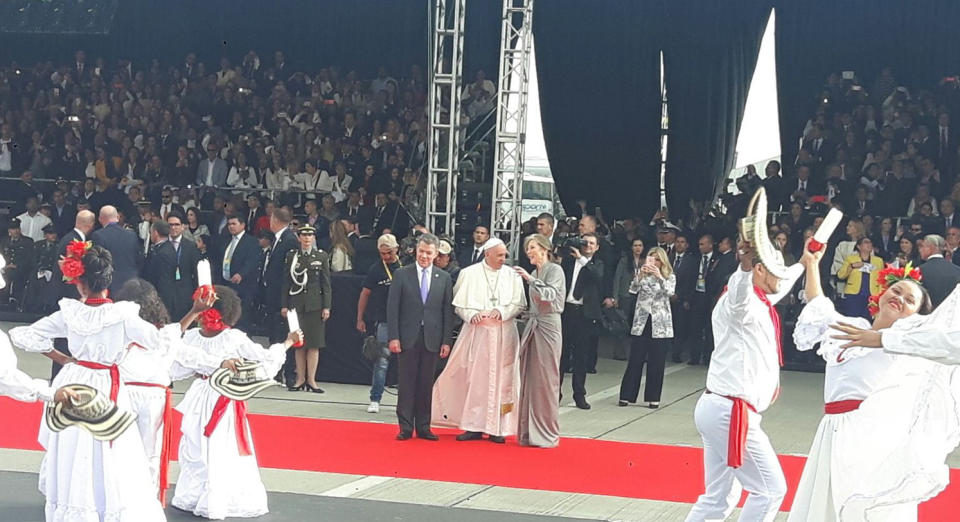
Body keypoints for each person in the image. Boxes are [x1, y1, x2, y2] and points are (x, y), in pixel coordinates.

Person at [8, 245, 167, 521]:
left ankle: (76, 508)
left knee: (75, 445)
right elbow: (158, 341)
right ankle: (106, 507)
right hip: (106, 382)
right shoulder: (124, 315)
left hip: (75, 380)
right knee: (109, 447)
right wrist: (125, 348)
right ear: (108, 280)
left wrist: (61, 357)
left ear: (78, 281)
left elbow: (24, 335)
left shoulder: (70, 314)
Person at [787, 240, 933, 522]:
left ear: (916, 316)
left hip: (872, 433)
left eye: (909, 300)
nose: (899, 298)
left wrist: (882, 339)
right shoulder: (852, 326)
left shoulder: (908, 344)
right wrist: (813, 264)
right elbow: (818, 305)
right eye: (896, 290)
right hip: (833, 429)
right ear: (881, 292)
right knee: (827, 505)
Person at [685, 238, 800, 522]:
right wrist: (745, 264)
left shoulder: (760, 300)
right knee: (770, 491)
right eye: (777, 271)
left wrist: (807, 260)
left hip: (722, 407)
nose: (781, 278)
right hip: (730, 412)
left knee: (719, 498)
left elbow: (780, 285)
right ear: (760, 270)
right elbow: (739, 292)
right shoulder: (740, 302)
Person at [172, 285, 302, 519]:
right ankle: (206, 496)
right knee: (207, 446)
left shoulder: (198, 337)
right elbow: (266, 362)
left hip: (214, 397)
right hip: (215, 395)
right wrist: (287, 344)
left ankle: (203, 495)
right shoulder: (226, 338)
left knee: (204, 447)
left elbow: (176, 366)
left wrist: (287, 344)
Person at [115, 278, 227, 504]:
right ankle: (146, 503)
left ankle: (117, 498)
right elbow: (186, 351)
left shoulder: (119, 328)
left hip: (122, 394)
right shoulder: (163, 335)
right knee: (150, 453)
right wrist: (221, 362)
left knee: (117, 449)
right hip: (151, 397)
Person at [433, 238, 526, 442]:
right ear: (487, 254)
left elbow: (519, 304)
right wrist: (471, 314)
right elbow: (458, 305)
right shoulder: (469, 273)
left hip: (503, 333)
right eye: (500, 255)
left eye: (504, 255)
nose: (504, 259)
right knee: (476, 380)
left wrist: (501, 311)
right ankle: (474, 426)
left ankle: (497, 428)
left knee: (502, 381)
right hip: (478, 334)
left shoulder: (512, 276)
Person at [387, 233, 454, 440]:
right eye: (421, 252)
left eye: (429, 253)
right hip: (407, 336)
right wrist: (394, 336)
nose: (424, 256)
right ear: (416, 251)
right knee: (406, 382)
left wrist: (446, 340)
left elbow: (447, 312)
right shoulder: (402, 274)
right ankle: (405, 426)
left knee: (426, 383)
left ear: (436, 254)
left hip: (432, 338)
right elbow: (392, 308)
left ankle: (424, 426)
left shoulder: (444, 277)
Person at [513, 234, 566, 448]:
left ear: (544, 249)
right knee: (530, 377)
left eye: (533, 247)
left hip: (549, 326)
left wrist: (530, 279)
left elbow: (550, 296)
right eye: (527, 249)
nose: (529, 252)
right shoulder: (535, 272)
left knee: (546, 378)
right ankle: (528, 432)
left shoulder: (555, 270)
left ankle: (547, 432)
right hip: (534, 325)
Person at [618, 247, 676, 409]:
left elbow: (670, 292)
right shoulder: (643, 275)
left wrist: (659, 276)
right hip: (642, 321)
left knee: (656, 362)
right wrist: (640, 276)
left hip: (660, 323)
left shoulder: (669, 276)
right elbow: (632, 290)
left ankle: (653, 397)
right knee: (635, 359)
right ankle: (627, 395)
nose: (653, 263)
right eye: (651, 259)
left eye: (657, 260)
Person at [280, 224, 332, 393]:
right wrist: (284, 305)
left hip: (315, 304)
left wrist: (327, 306)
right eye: (304, 235)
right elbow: (286, 282)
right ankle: (300, 379)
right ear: (299, 237)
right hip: (296, 303)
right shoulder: (292, 256)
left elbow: (326, 284)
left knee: (314, 344)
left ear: (314, 238)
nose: (307, 239)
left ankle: (312, 380)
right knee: (299, 343)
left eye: (310, 236)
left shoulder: (321, 256)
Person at [357, 233, 402, 413]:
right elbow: (365, 294)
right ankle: (375, 399)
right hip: (384, 320)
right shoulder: (376, 268)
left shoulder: (405, 265)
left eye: (389, 253)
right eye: (382, 253)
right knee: (382, 361)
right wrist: (359, 318)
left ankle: (406, 402)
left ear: (396, 249)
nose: (386, 257)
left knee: (407, 362)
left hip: (406, 321)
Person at [560, 233, 605, 409]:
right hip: (567, 310)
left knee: (581, 356)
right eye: (585, 242)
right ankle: (556, 392)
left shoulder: (597, 263)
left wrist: (582, 259)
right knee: (562, 355)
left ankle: (579, 394)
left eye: (592, 243)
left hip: (584, 314)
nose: (588, 246)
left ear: (597, 247)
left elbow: (597, 277)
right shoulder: (569, 261)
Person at [260, 207, 299, 384]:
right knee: (274, 333)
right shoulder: (278, 239)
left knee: (283, 333)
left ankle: (288, 373)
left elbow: (288, 272)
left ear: (274, 220)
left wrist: (285, 300)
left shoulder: (289, 239)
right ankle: (276, 371)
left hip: (282, 296)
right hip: (272, 295)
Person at [217, 216, 260, 329]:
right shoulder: (226, 240)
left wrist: (241, 274)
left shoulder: (251, 241)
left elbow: (252, 261)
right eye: (229, 224)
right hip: (227, 284)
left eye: (234, 224)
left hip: (244, 286)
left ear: (242, 225)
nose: (231, 226)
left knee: (243, 317)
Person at [91, 205, 142, 294]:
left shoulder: (98, 236)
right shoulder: (132, 235)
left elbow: (99, 264)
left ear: (100, 219)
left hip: (111, 285)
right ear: (117, 218)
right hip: (132, 282)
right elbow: (139, 259)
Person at [612, 238, 646, 361]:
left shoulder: (646, 261)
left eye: (640, 245)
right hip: (625, 295)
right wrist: (615, 296)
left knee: (638, 325)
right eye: (635, 245)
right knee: (623, 324)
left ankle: (638, 353)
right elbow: (617, 278)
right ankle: (620, 352)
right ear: (631, 247)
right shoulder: (624, 261)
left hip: (640, 296)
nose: (638, 248)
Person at [836, 237, 883, 320]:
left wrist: (879, 296)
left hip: (871, 296)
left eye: (870, 242)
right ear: (859, 246)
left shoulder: (878, 261)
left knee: (867, 321)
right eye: (866, 242)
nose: (869, 244)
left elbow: (881, 279)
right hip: (853, 295)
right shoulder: (851, 259)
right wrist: (852, 266)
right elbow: (841, 275)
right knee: (852, 320)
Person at [167, 211, 203, 319]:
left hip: (185, 294)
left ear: (183, 227)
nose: (173, 228)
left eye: (177, 225)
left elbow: (197, 273)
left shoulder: (191, 247)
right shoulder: (160, 246)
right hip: (166, 294)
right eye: (170, 225)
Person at [143, 220, 178, 315]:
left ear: (155, 233)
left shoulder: (163, 252)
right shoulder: (166, 248)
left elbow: (164, 279)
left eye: (151, 232)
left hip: (162, 298)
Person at [918, 234, 960, 307]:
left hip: (928, 315)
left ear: (931, 248)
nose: (920, 250)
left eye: (922, 246)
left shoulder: (919, 270)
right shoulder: (958, 270)